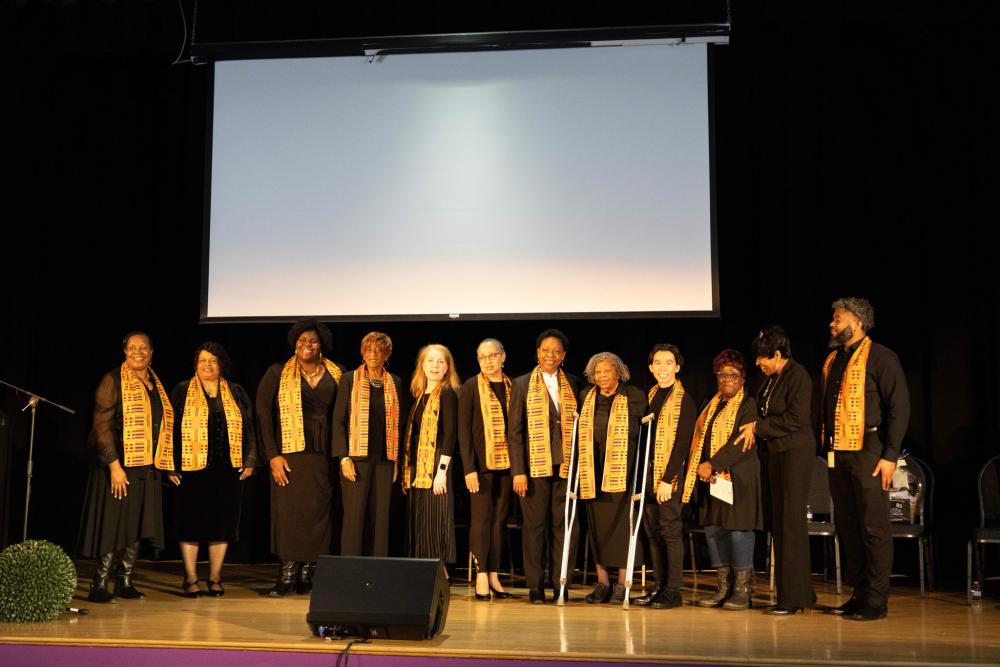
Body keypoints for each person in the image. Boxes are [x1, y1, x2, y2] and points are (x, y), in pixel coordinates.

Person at [821, 297, 909, 621]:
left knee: (873, 526)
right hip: (838, 450)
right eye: (833, 319)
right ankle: (858, 594)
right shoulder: (833, 359)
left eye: (838, 318)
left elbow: (900, 407)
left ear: (857, 322)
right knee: (848, 525)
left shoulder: (881, 357)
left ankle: (876, 599)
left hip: (869, 448)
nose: (832, 324)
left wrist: (890, 456)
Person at [79, 331, 172, 603]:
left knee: (138, 523)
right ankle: (99, 583)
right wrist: (114, 466)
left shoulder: (155, 383)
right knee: (113, 524)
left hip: (147, 465)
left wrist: (167, 465)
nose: (138, 352)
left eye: (143, 348)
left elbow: (161, 426)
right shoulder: (113, 380)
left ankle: (125, 580)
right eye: (132, 347)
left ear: (151, 352)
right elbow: (102, 425)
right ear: (124, 351)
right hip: (119, 464)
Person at [158, 342, 257, 598]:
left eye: (213, 361)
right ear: (195, 364)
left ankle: (215, 578)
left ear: (221, 365)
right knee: (189, 524)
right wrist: (170, 465)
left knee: (222, 526)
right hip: (189, 469)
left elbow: (249, 427)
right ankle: (191, 578)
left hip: (227, 469)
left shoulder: (236, 391)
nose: (208, 365)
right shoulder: (182, 390)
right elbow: (168, 428)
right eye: (203, 360)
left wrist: (250, 460)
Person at [256, 318, 345, 596]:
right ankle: (286, 575)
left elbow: (346, 414)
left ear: (322, 345)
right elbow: (262, 412)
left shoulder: (338, 372)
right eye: (302, 340)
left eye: (314, 341)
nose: (308, 345)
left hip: (324, 456)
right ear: (295, 344)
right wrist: (272, 455)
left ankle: (308, 572)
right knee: (289, 514)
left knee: (319, 514)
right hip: (289, 455)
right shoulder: (277, 371)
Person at [737, 327, 815, 615]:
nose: (758, 363)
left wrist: (758, 427)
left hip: (795, 453)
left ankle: (792, 599)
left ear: (778, 354)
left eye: (762, 357)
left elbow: (796, 418)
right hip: (777, 454)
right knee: (780, 523)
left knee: (791, 524)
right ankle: (798, 592)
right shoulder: (771, 379)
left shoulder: (798, 375)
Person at [683, 348, 760, 611]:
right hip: (712, 480)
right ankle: (723, 587)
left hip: (739, 479)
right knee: (714, 530)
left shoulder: (749, 404)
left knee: (738, 531)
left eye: (733, 374)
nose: (727, 379)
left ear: (743, 377)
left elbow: (741, 443)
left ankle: (742, 590)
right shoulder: (711, 403)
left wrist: (712, 464)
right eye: (722, 374)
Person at [508, 329, 580, 604]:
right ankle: (536, 586)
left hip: (566, 466)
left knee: (564, 527)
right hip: (534, 468)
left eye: (556, 351)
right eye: (546, 350)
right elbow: (515, 431)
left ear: (564, 355)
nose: (551, 355)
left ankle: (561, 583)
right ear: (537, 353)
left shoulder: (572, 383)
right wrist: (518, 471)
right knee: (535, 528)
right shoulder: (522, 383)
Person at [577, 352, 646, 604]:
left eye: (607, 371)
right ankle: (603, 583)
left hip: (622, 471)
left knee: (621, 528)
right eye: (597, 372)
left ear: (618, 372)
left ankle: (622, 584)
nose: (602, 376)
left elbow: (639, 432)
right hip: (593, 471)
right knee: (598, 528)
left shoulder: (634, 396)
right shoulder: (587, 396)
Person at [634, 344, 698, 610]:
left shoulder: (684, 400)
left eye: (668, 363)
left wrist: (666, 479)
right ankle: (659, 587)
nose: (663, 368)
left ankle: (673, 590)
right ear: (650, 367)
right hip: (648, 472)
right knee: (653, 532)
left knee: (670, 531)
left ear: (677, 367)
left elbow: (682, 445)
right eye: (658, 363)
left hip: (668, 474)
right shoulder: (650, 396)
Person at [332, 332, 404, 558]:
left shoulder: (395, 382)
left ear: (386, 355)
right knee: (354, 517)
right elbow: (338, 421)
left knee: (381, 518)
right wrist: (343, 457)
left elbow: (398, 425)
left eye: (379, 350)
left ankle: (378, 569)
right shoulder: (349, 379)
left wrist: (396, 461)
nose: (373, 354)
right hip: (356, 458)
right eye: (369, 350)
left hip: (384, 459)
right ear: (362, 353)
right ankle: (351, 569)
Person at [459, 338, 514, 600]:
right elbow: (464, 432)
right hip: (480, 467)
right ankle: (481, 573)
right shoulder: (471, 386)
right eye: (482, 357)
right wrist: (469, 468)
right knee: (481, 519)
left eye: (492, 356)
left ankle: (494, 573)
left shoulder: (514, 386)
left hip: (508, 464)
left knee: (500, 520)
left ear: (503, 357)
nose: (488, 361)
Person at [402, 344, 460, 568]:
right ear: (422, 365)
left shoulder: (447, 393)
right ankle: (420, 567)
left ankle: (438, 570)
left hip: (437, 462)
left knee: (436, 517)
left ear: (447, 368)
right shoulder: (419, 396)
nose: (435, 366)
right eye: (430, 361)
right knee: (420, 517)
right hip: (419, 462)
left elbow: (450, 434)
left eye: (440, 362)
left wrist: (441, 472)